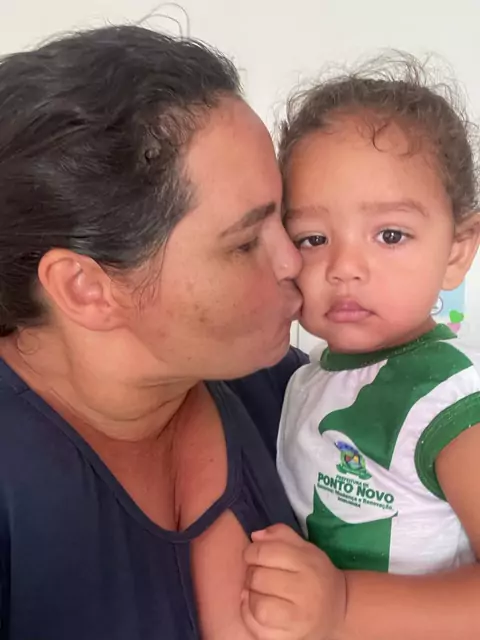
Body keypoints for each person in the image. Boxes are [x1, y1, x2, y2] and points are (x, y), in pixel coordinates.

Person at [0, 24, 307, 639]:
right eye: (245, 242)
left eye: (288, 217)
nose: (294, 260)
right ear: (86, 288)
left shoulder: (289, 394)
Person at [240, 57, 480, 640]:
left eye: (390, 235)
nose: (344, 267)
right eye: (313, 238)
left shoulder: (450, 405)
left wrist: (344, 605)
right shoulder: (304, 378)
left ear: (456, 250)